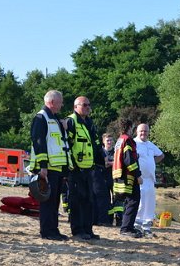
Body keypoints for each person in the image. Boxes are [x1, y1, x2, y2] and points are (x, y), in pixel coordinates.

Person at [28, 90, 71, 241]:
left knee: (55, 202)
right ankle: (46, 231)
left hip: (58, 168)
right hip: (48, 168)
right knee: (47, 201)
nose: (62, 105)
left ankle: (54, 229)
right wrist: (43, 166)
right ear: (52, 102)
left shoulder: (55, 118)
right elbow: (39, 143)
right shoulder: (41, 118)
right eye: (60, 102)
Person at [64, 96, 103, 240]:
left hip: (88, 168)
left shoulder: (89, 122)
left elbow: (95, 143)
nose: (88, 107)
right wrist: (71, 166)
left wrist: (100, 160)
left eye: (89, 104)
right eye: (84, 105)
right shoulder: (71, 121)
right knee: (76, 201)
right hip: (75, 169)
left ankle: (88, 230)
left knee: (89, 200)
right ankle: (78, 231)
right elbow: (67, 145)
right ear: (75, 107)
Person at [112, 118, 143, 238]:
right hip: (128, 177)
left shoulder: (120, 140)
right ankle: (126, 228)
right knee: (133, 201)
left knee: (127, 201)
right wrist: (138, 175)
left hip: (119, 176)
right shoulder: (128, 140)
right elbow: (129, 160)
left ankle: (128, 226)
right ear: (129, 127)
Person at [134, 123, 164, 234]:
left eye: (145, 131)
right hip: (139, 178)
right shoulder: (134, 143)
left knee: (149, 203)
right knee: (140, 202)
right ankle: (137, 224)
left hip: (150, 179)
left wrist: (152, 163)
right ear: (137, 132)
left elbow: (161, 155)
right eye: (141, 131)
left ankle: (147, 226)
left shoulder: (150, 144)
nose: (143, 133)